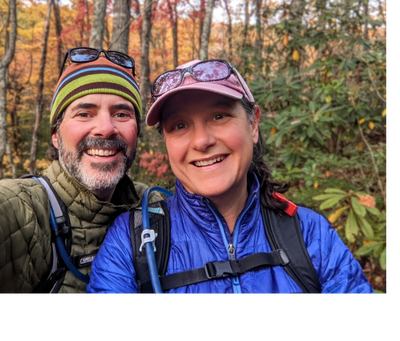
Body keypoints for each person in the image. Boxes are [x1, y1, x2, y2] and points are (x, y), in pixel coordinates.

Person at [87, 59, 375, 296]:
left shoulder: (311, 235)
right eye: (180, 125)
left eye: (219, 116)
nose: (201, 141)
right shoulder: (132, 240)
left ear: (253, 124)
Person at [0, 47, 162, 296]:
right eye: (85, 113)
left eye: (121, 114)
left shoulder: (156, 206)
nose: (106, 129)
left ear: (137, 133)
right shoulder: (20, 210)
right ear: (56, 135)